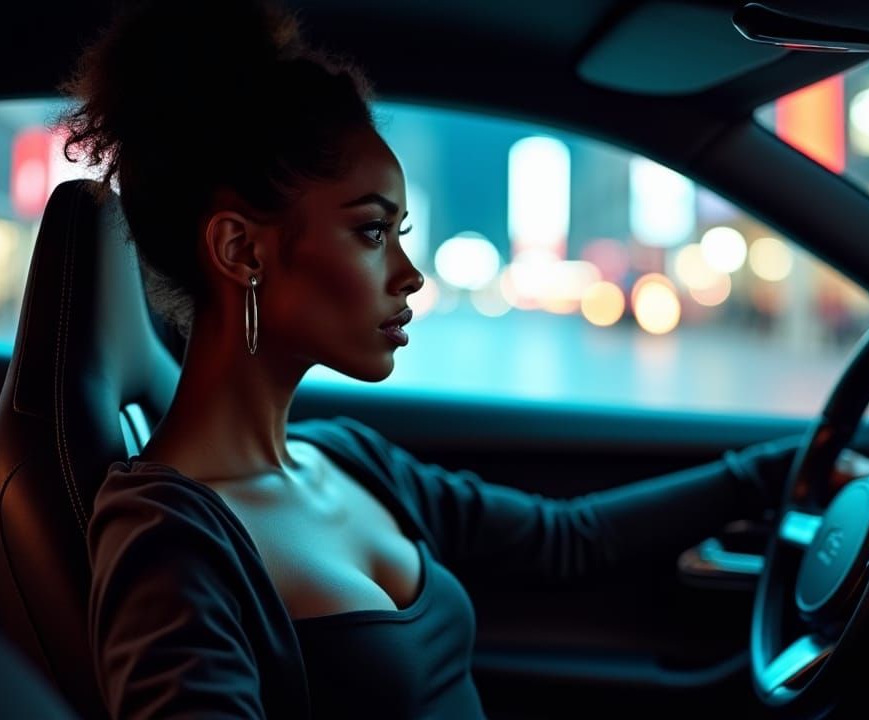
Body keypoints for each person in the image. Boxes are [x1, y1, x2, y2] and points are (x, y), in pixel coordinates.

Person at [66, 2, 809, 717]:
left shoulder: (348, 458)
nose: (410, 274)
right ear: (241, 249)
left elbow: (567, 539)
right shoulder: (167, 543)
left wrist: (781, 471)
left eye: (400, 231)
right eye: (371, 233)